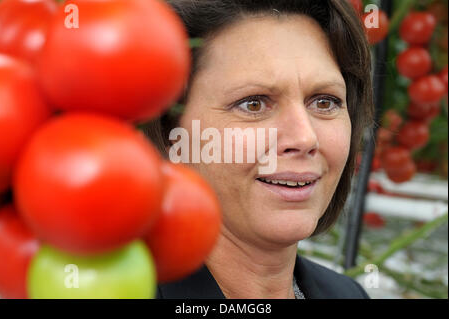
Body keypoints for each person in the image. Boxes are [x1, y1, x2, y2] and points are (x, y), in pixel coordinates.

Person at [146, 0, 374, 299]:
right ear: (168, 133)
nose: (305, 138)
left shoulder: (347, 295)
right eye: (253, 104)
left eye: (324, 102)